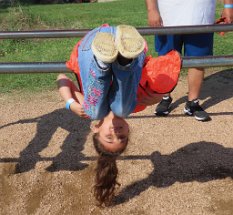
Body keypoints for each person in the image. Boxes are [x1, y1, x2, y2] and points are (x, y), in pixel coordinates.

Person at [57, 24, 181, 206]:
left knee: (94, 111)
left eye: (109, 136)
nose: (116, 131)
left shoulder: (87, 106)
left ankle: (102, 63)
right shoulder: (134, 105)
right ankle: (123, 61)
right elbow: (159, 90)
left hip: (92, 48)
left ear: (96, 128)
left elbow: (62, 78)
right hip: (128, 43)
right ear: (128, 130)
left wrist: (71, 104)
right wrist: (150, 99)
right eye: (122, 136)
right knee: (123, 110)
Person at [145, 0, 233, 121]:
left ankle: (193, 102)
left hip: (201, 14)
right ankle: (165, 97)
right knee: (165, 60)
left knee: (198, 59)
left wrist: (229, 6)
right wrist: (152, 9)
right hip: (167, 15)